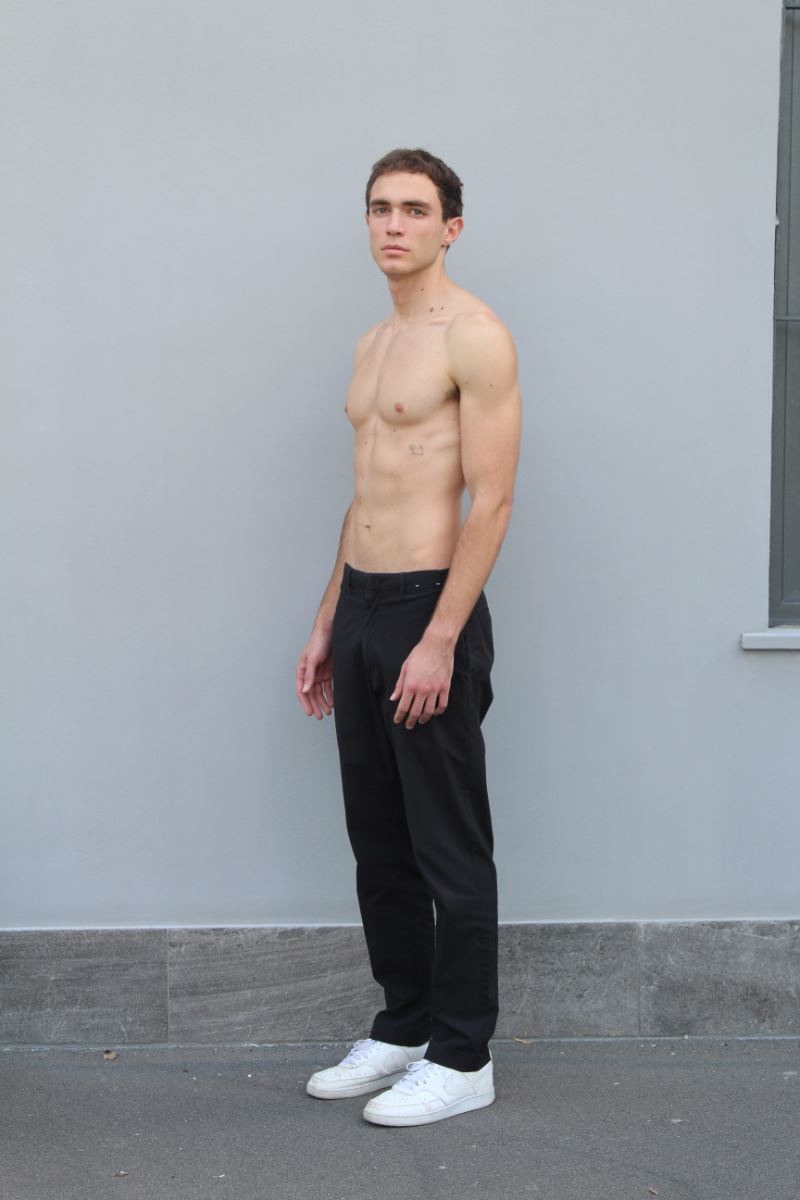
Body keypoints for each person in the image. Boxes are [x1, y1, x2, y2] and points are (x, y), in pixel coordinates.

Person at [295, 148, 521, 1126]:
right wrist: (325, 621)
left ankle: (463, 1057)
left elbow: (492, 499)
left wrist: (441, 637)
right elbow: (365, 497)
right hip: (361, 608)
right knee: (378, 841)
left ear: (450, 228)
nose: (394, 224)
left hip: (432, 608)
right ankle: (404, 1026)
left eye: (415, 210)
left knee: (447, 846)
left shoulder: (476, 337)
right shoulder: (372, 345)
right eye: (380, 208)